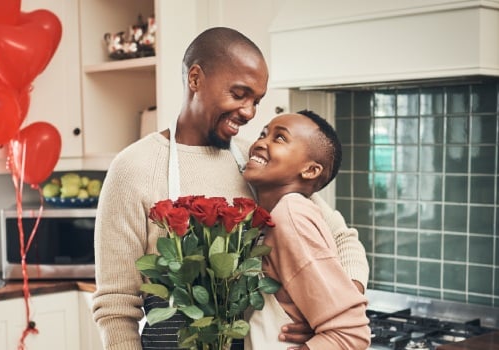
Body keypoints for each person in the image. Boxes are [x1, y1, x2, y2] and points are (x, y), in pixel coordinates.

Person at [91, 27, 368, 350]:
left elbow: (342, 237)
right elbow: (115, 306)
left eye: (256, 101)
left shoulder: (256, 163)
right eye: (239, 95)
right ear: (195, 79)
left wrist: (326, 309)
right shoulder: (134, 168)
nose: (250, 112)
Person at [242, 110, 371, 349]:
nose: (261, 142)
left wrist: (342, 300)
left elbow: (349, 334)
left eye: (279, 138)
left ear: (310, 171)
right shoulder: (280, 212)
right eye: (263, 134)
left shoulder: (291, 214)